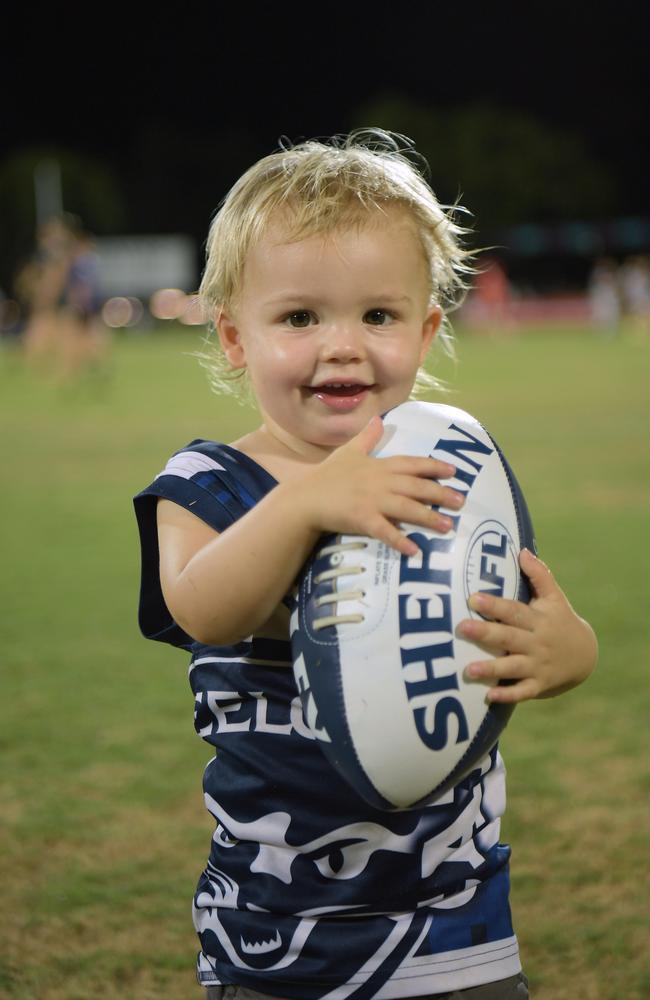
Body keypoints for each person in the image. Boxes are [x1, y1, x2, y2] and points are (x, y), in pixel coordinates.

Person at [134, 131, 597, 1000]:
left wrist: (567, 652)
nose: (342, 346)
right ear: (236, 337)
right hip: (278, 933)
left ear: (426, 331)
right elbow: (201, 609)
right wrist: (307, 502)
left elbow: (531, 613)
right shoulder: (203, 484)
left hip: (457, 921)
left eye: (377, 316)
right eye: (301, 317)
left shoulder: (447, 474)